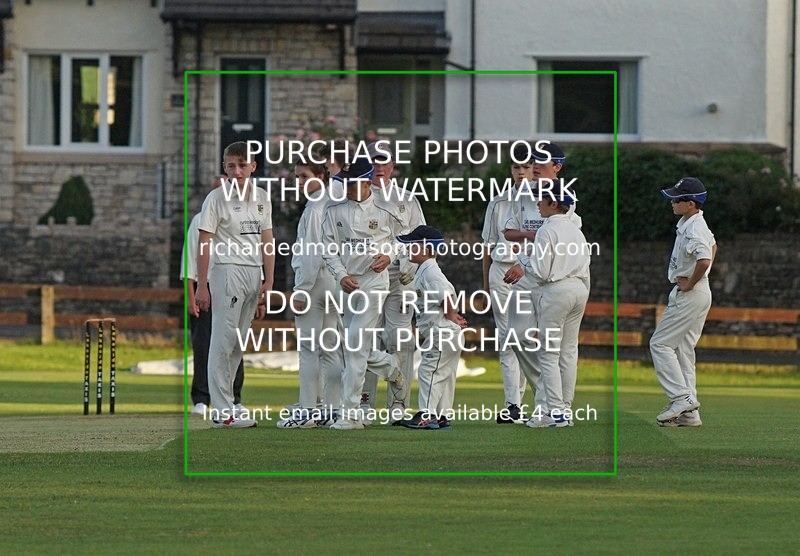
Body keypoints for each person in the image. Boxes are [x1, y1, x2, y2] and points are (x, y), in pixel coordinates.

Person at [321, 156, 409, 430]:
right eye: (343, 182)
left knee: (356, 346)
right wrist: (341, 275)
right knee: (353, 347)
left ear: (367, 180)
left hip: (374, 283)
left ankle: (350, 413)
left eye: (351, 183)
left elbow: (404, 239)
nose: (345, 187)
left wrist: (389, 256)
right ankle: (390, 367)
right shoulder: (334, 211)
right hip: (348, 285)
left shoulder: (386, 209)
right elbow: (328, 249)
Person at [196, 141, 275, 428]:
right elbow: (204, 243)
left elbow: (267, 241)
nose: (237, 171)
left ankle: (227, 404)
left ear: (253, 166)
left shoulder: (263, 197)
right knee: (223, 340)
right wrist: (202, 285)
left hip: (253, 273)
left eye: (242, 165)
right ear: (224, 168)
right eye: (231, 166)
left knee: (238, 344)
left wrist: (269, 281)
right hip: (226, 271)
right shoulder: (216, 198)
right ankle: (222, 411)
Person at [502, 141, 581, 423]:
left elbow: (558, 241)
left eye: (542, 162)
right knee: (519, 336)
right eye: (533, 160)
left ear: (557, 167)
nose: (534, 166)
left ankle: (558, 407)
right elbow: (508, 231)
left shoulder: (565, 196)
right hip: (528, 272)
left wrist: (529, 256)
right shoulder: (522, 194)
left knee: (564, 349)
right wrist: (529, 239)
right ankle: (547, 399)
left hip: (549, 274)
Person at [359, 140, 425, 421]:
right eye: (375, 160)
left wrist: (412, 267)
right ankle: (364, 402)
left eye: (385, 161)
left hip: (400, 277)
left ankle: (398, 403)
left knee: (399, 338)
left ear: (393, 165)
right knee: (366, 336)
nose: (380, 166)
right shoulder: (359, 198)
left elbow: (419, 239)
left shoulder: (407, 199)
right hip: (369, 274)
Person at [277, 158, 344, 428]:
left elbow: (312, 254)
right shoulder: (330, 203)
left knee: (309, 348)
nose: (300, 183)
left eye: (305, 177)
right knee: (329, 349)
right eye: (297, 177)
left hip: (315, 283)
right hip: (331, 282)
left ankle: (307, 411)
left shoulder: (317, 208)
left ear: (321, 175)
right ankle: (330, 409)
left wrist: (301, 290)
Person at [520, 190, 591, 428]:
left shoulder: (546, 230)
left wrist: (524, 262)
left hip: (556, 291)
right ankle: (565, 410)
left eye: (541, 200)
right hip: (579, 289)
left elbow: (540, 271)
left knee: (548, 354)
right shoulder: (576, 231)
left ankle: (556, 412)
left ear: (553, 203)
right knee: (568, 352)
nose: (538, 204)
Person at [651, 178, 716, 427]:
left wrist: (691, 282)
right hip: (699, 291)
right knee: (683, 351)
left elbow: (704, 258)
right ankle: (690, 415)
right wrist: (700, 279)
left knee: (660, 344)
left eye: (677, 199)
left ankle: (681, 398)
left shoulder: (694, 228)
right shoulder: (691, 223)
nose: (672, 202)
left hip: (691, 293)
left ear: (691, 203)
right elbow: (714, 246)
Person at [181, 176, 245, 417]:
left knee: (234, 343)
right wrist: (191, 295)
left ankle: (234, 397)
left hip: (234, 288)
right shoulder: (200, 220)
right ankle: (202, 397)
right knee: (203, 344)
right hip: (206, 290)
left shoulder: (243, 218)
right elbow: (189, 261)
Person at [394, 226, 467, 430]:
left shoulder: (431, 271)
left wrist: (452, 316)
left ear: (426, 247)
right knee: (444, 375)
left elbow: (445, 294)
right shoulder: (427, 270)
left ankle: (426, 414)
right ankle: (442, 415)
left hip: (442, 333)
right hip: (447, 333)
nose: (408, 249)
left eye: (412, 245)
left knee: (430, 371)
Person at [481, 143, 530, 424]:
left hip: (531, 276)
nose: (521, 172)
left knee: (529, 339)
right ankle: (512, 404)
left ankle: (549, 403)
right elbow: (488, 246)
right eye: (516, 167)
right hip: (501, 274)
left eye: (525, 167)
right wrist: (486, 284)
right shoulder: (499, 201)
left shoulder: (543, 201)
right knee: (507, 338)